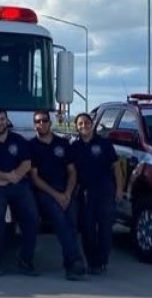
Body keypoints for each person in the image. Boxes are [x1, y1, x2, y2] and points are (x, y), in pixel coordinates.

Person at [29, 110, 88, 280]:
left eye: (44, 120)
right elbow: (35, 178)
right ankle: (75, 261)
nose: (41, 124)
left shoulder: (63, 144)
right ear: (34, 125)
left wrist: (67, 193)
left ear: (50, 122)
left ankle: (70, 265)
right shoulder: (31, 146)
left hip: (65, 189)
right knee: (60, 220)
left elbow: (72, 172)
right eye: (38, 122)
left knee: (72, 222)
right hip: (44, 191)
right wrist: (57, 195)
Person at [0, 108, 39, 276]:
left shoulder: (18, 140)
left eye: (2, 119)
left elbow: (27, 163)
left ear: (7, 120)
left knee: (32, 218)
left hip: (19, 185)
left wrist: (12, 178)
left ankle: (26, 260)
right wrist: (7, 177)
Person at [70, 112, 123, 275]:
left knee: (105, 228)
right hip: (85, 192)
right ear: (76, 127)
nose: (84, 126)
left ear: (92, 124)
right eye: (80, 124)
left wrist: (119, 189)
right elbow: (72, 171)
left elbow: (116, 167)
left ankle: (102, 261)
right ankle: (92, 262)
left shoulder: (104, 143)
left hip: (105, 190)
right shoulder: (74, 147)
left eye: (86, 122)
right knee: (87, 229)